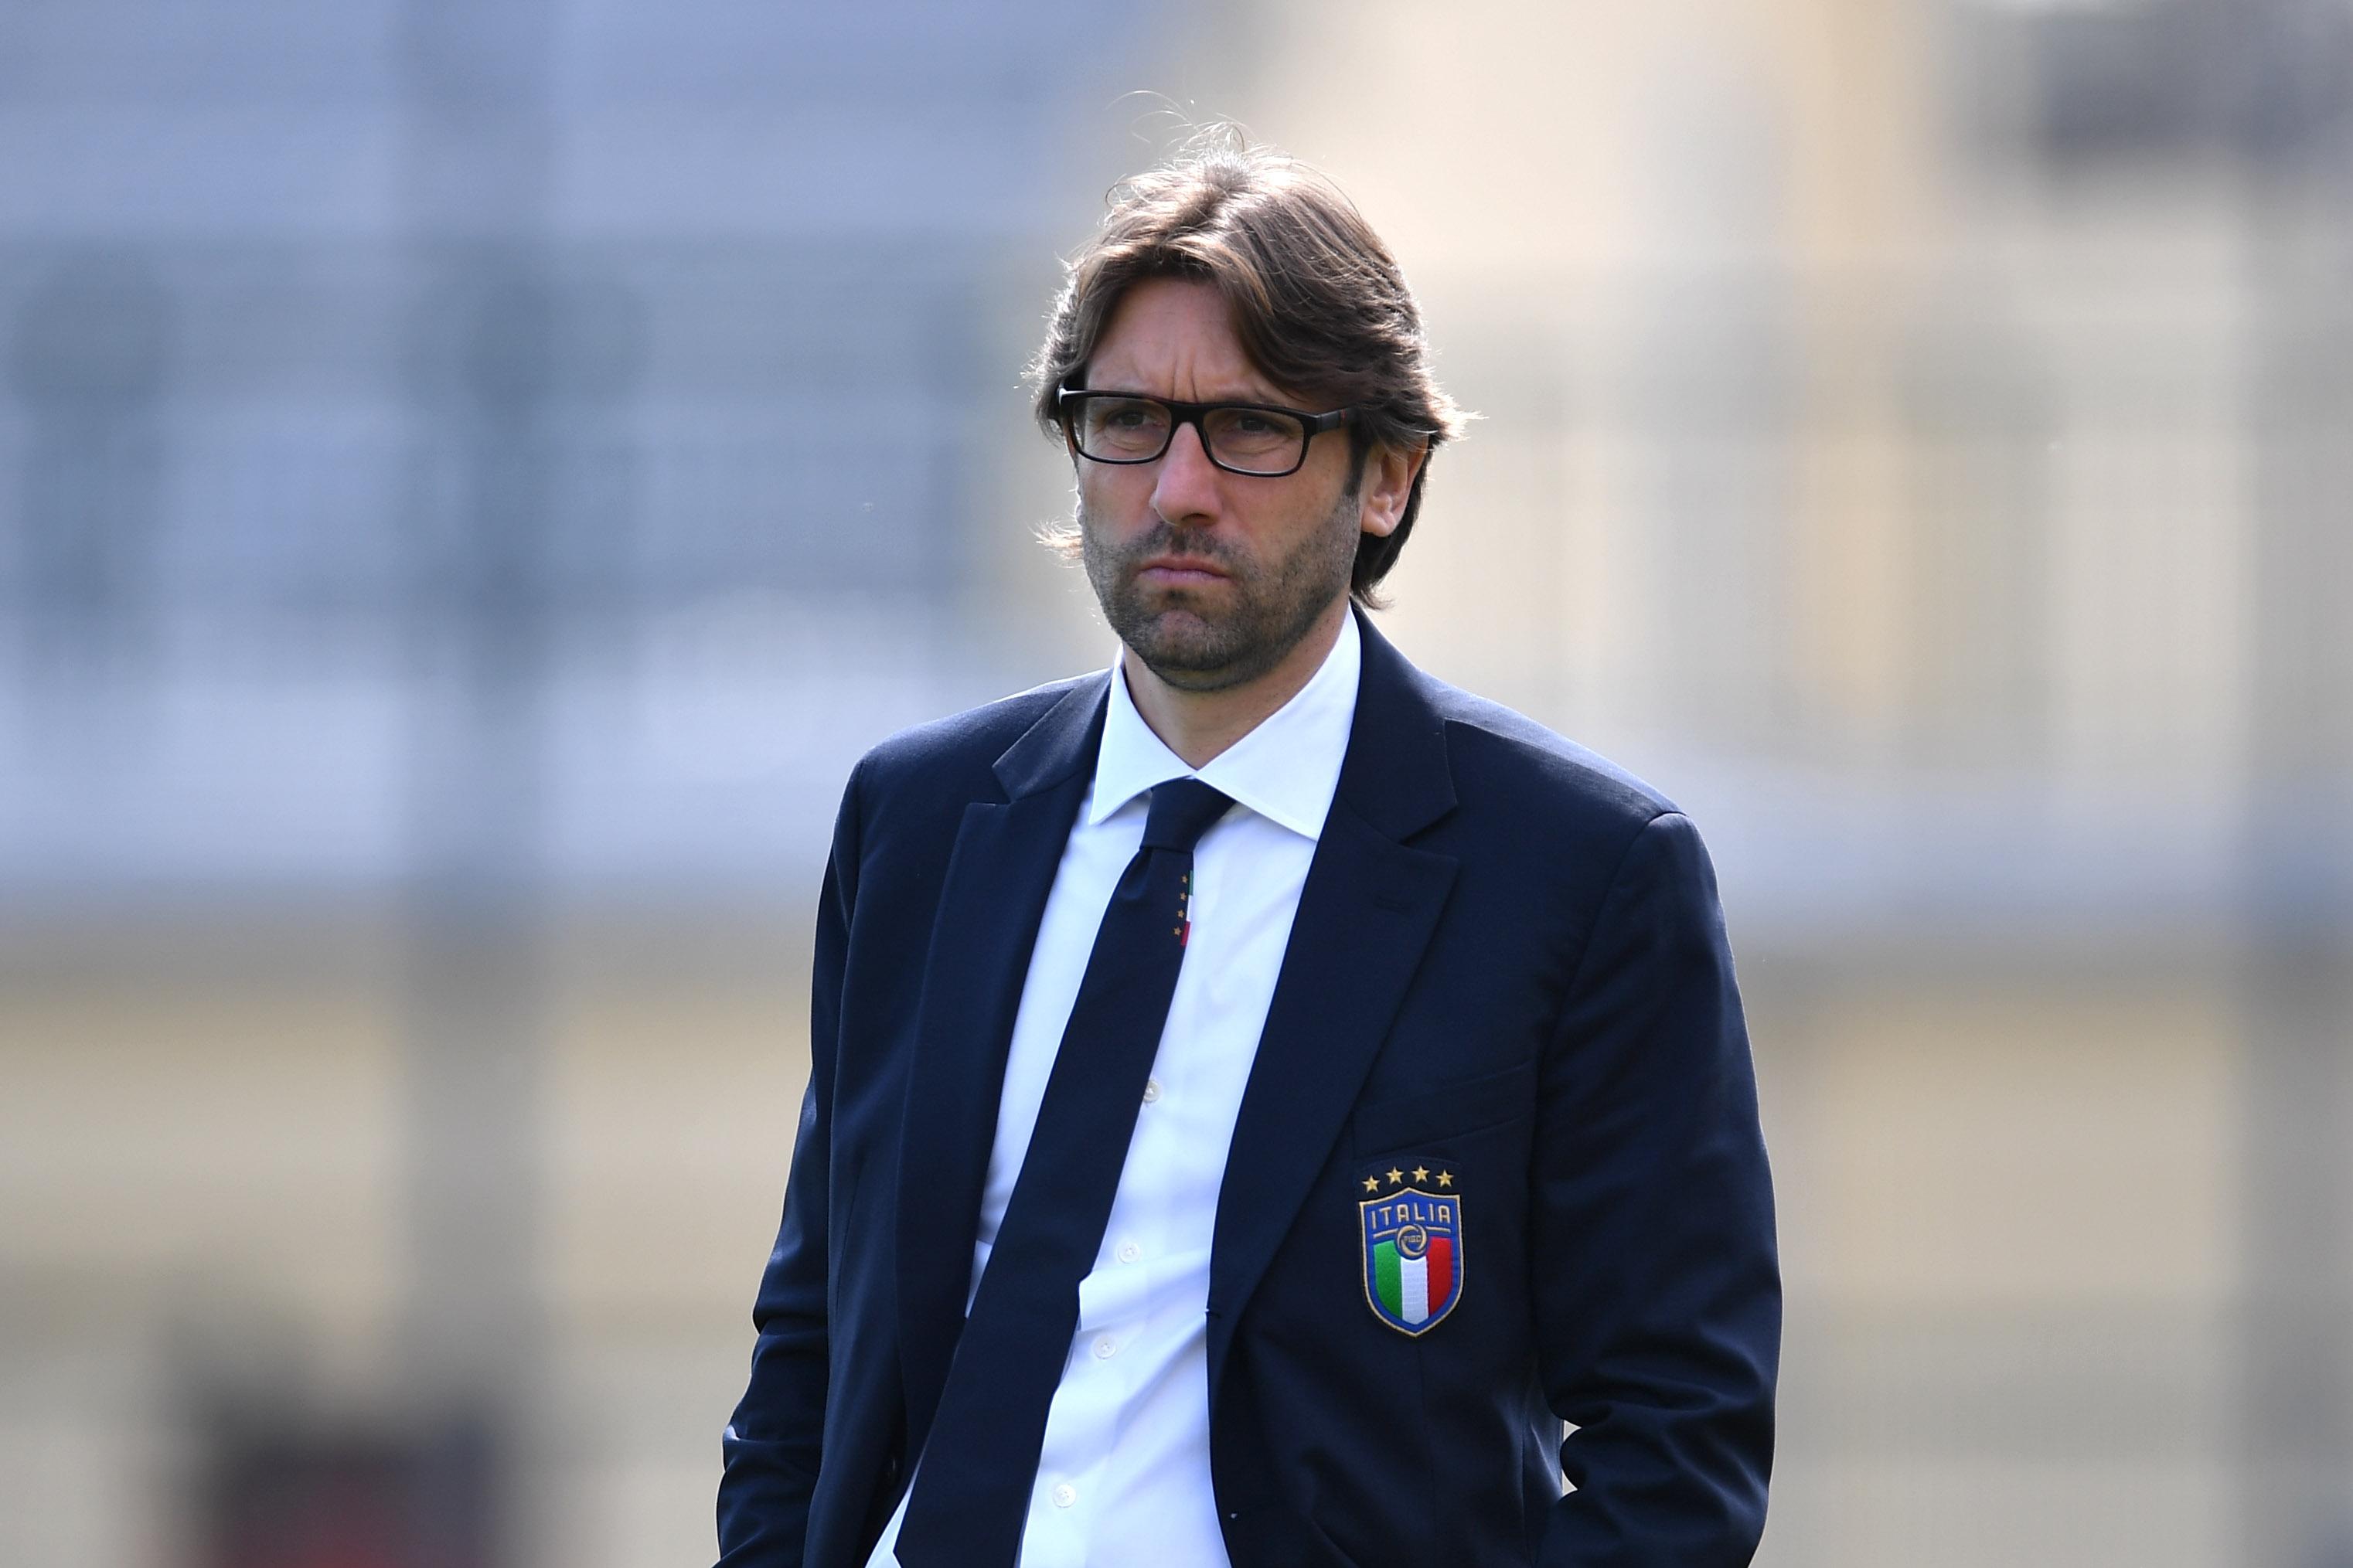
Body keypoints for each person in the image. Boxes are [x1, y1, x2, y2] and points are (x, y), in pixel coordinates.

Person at [716, 131, 1778, 1568]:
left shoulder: (1584, 880)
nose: (1179, 487)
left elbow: (1680, 1446)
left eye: (1255, 427)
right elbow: (812, 1347)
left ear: (1387, 475)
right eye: (1131, 419)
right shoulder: (916, 826)